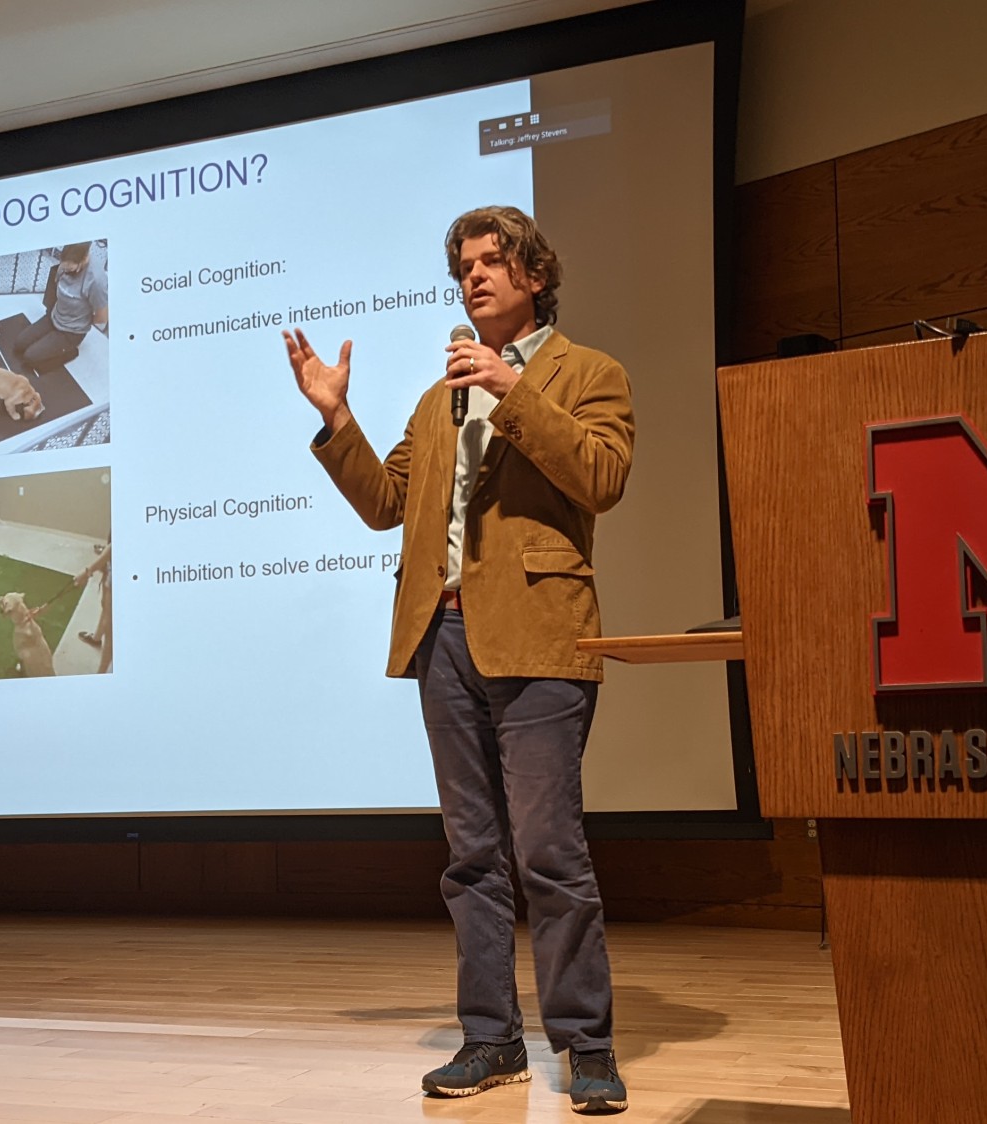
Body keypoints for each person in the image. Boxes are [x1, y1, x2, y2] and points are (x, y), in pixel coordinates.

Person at [284, 206, 635, 1113]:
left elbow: (601, 475)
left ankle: (586, 1045)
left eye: (493, 263)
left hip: (541, 638)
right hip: (443, 639)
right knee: (472, 857)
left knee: (551, 852)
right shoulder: (437, 398)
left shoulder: (588, 373)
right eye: (465, 268)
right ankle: (491, 1040)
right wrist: (337, 417)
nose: (475, 278)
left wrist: (512, 393)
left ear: (535, 276)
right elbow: (386, 501)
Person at [12, 241, 108, 372]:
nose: (65, 270)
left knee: (30, 357)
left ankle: (70, 352)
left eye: (70, 268)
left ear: (84, 259)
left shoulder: (96, 280)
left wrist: (79, 321)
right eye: (64, 266)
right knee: (19, 344)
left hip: (71, 332)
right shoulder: (64, 264)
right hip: (54, 317)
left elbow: (102, 318)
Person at [74, 540, 112, 674]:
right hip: (112, 566)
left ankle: (101, 674)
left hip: (121, 573)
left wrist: (87, 571)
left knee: (111, 630)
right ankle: (96, 638)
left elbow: (116, 547)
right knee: (105, 605)